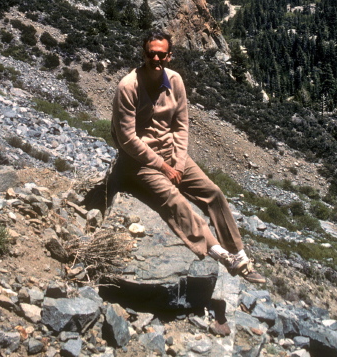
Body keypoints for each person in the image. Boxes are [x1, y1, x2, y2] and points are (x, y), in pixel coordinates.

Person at [111, 30, 265, 285]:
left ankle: (240, 253)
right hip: (138, 161)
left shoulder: (175, 81)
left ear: (170, 56)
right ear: (144, 54)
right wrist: (163, 168)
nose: (156, 59)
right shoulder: (128, 86)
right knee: (175, 201)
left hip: (171, 153)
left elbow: (181, 126)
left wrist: (179, 164)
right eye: (152, 54)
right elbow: (126, 138)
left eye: (162, 54)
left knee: (213, 192)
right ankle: (223, 256)